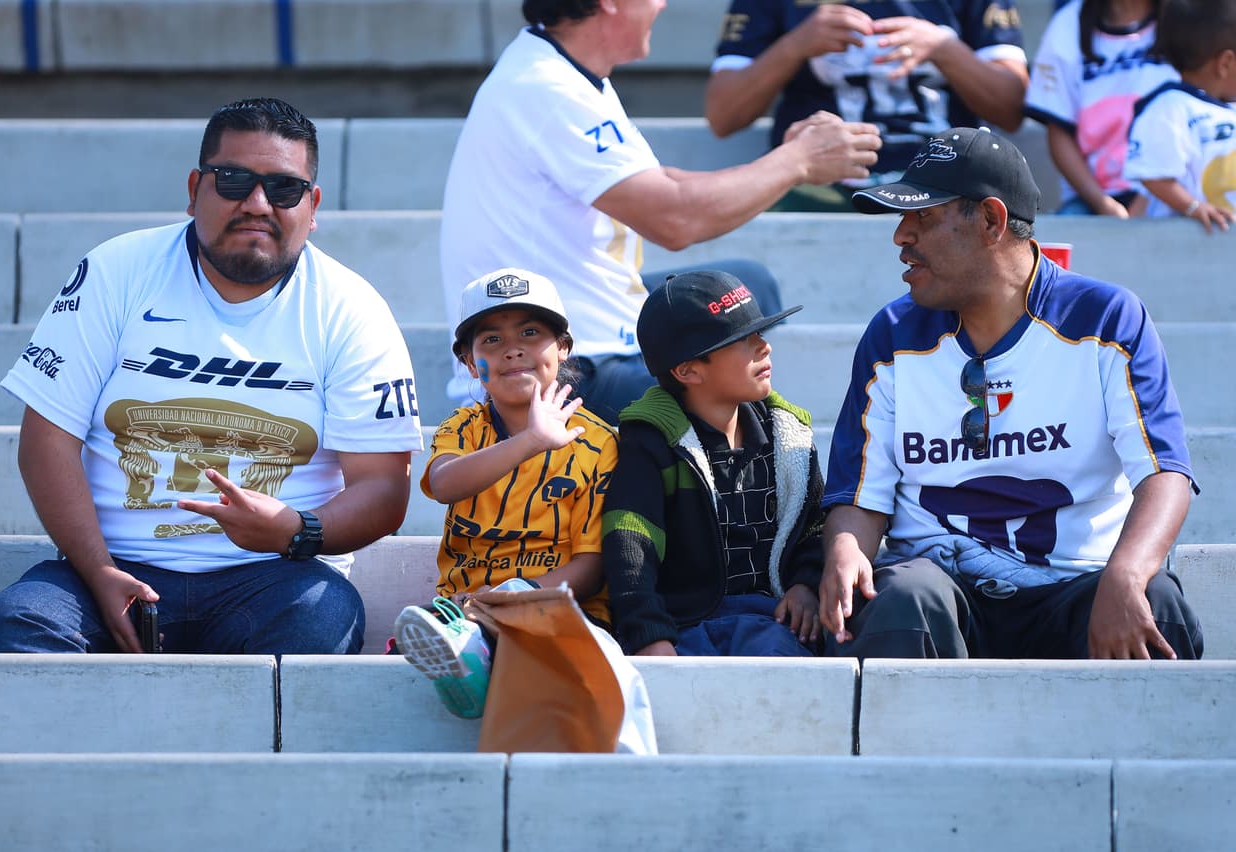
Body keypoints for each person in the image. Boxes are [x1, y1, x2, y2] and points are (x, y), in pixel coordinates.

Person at [0, 98, 422, 655]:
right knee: (16, 627)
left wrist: (295, 530)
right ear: (194, 189)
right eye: (233, 180)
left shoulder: (352, 308)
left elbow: (384, 487)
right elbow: (46, 442)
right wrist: (98, 570)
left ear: (313, 206)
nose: (258, 204)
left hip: (276, 574)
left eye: (284, 188)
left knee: (321, 621)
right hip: (113, 566)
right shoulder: (116, 271)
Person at [821, 127, 1203, 660]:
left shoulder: (1105, 318)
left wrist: (1128, 572)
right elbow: (860, 494)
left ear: (992, 221)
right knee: (900, 598)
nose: (901, 235)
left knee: (1154, 601)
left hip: (1071, 584)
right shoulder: (892, 334)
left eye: (924, 216)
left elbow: (1164, 473)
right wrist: (846, 549)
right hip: (940, 588)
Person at [440, 0, 881, 425]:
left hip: (590, 331)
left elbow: (660, 183)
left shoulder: (557, 70)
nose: (663, 5)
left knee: (749, 288)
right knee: (737, 400)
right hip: (564, 372)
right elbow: (675, 220)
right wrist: (796, 161)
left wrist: (788, 159)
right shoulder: (546, 88)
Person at [394, 268, 619, 718]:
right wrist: (531, 441)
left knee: (523, 624)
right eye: (490, 340)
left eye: (531, 333)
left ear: (563, 348)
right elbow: (443, 484)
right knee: (439, 630)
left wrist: (518, 595)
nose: (512, 348)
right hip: (462, 607)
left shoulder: (600, 443)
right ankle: (469, 652)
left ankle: (474, 662)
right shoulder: (462, 427)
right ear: (469, 361)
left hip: (558, 605)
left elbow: (592, 566)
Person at [601, 270, 827, 657]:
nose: (764, 347)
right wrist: (649, 635)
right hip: (682, 626)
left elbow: (817, 526)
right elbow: (630, 549)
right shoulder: (652, 444)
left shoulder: (789, 437)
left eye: (762, 333)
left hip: (773, 620)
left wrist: (805, 585)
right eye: (743, 339)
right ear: (687, 370)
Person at [705, 0, 1029, 212]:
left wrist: (944, 49)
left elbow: (1011, 108)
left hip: (943, 181)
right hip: (818, 182)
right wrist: (793, 47)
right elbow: (723, 115)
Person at [1025, 0, 1177, 216]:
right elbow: (1058, 133)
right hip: (1092, 199)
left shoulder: (1186, 17)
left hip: (1176, 192)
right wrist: (1103, 203)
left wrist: (1148, 197)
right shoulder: (1067, 24)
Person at [1124, 0, 1236, 233]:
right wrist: (1193, 207)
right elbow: (1153, 175)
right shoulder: (1169, 107)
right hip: (1185, 243)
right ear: (1225, 63)